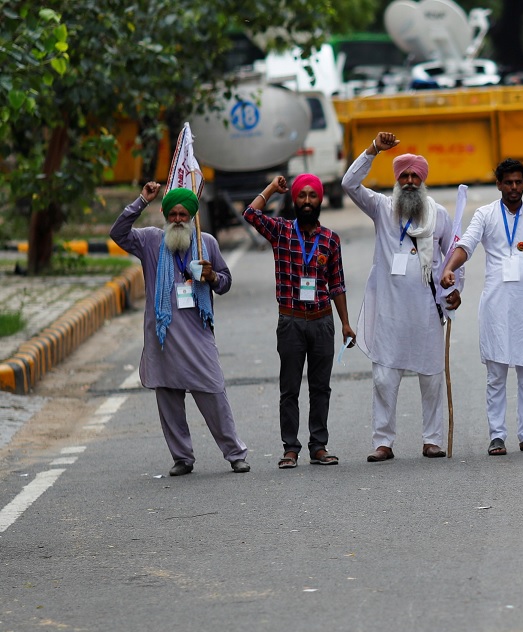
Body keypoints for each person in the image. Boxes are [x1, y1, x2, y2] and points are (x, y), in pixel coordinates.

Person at [110, 183, 250, 476]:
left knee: (213, 391)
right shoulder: (150, 241)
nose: (177, 219)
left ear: (191, 216)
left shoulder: (206, 242)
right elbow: (118, 233)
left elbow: (225, 283)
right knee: (169, 399)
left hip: (197, 336)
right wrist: (141, 201)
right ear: (164, 215)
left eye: (182, 214)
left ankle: (235, 453)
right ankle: (182, 457)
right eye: (172, 214)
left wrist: (212, 276)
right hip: (163, 338)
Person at [343, 132, 453, 462]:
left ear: (422, 181)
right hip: (389, 313)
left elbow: (453, 256)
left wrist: (452, 289)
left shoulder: (439, 214)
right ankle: (383, 442)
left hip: (426, 312)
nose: (408, 181)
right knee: (382, 379)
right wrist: (373, 150)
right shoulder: (382, 208)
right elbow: (350, 184)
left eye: (414, 176)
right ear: (396, 180)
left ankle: (431, 440)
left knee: (432, 378)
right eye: (403, 175)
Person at [440, 159, 523, 456]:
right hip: (496, 306)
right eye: (508, 182)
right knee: (496, 375)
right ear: (499, 185)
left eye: (519, 182)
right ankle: (497, 436)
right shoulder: (486, 214)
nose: (514, 187)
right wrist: (449, 268)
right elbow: (466, 245)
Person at [243, 174, 355, 469]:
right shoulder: (281, 231)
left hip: (322, 322)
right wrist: (270, 189)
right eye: (301, 196)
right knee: (289, 388)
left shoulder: (330, 239)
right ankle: (290, 449)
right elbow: (251, 214)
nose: (307, 201)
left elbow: (337, 285)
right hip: (291, 322)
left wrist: (345, 323)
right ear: (294, 200)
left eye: (312, 196)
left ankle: (318, 446)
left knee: (321, 388)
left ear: (320, 200)